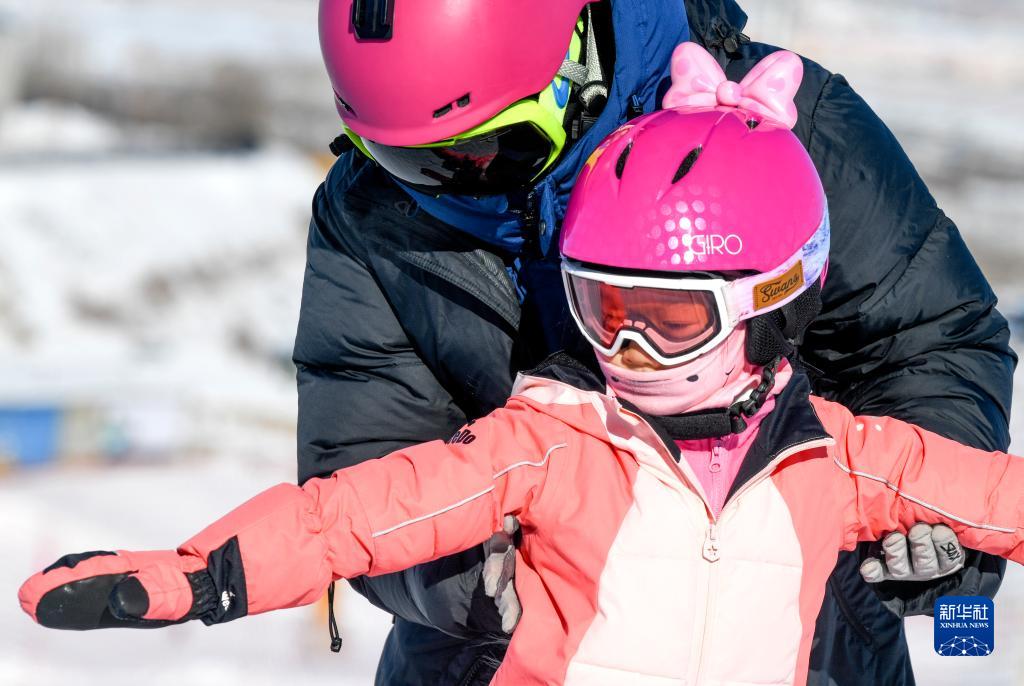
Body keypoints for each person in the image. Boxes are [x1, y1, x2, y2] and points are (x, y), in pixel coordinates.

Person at [18, 55, 1024, 686]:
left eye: (668, 320)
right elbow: (345, 515)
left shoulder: (842, 462)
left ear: (774, 305)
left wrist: (951, 573)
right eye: (602, 311)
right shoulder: (547, 446)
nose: (626, 352)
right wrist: (197, 578)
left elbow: (995, 494)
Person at [303, 1, 1014, 684]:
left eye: (500, 144)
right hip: (499, 659)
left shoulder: (776, 128)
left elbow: (930, 338)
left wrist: (929, 512)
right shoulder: (367, 209)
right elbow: (361, 463)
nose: (462, 179)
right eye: (408, 160)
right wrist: (463, 578)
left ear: (573, 57)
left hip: (792, 641)